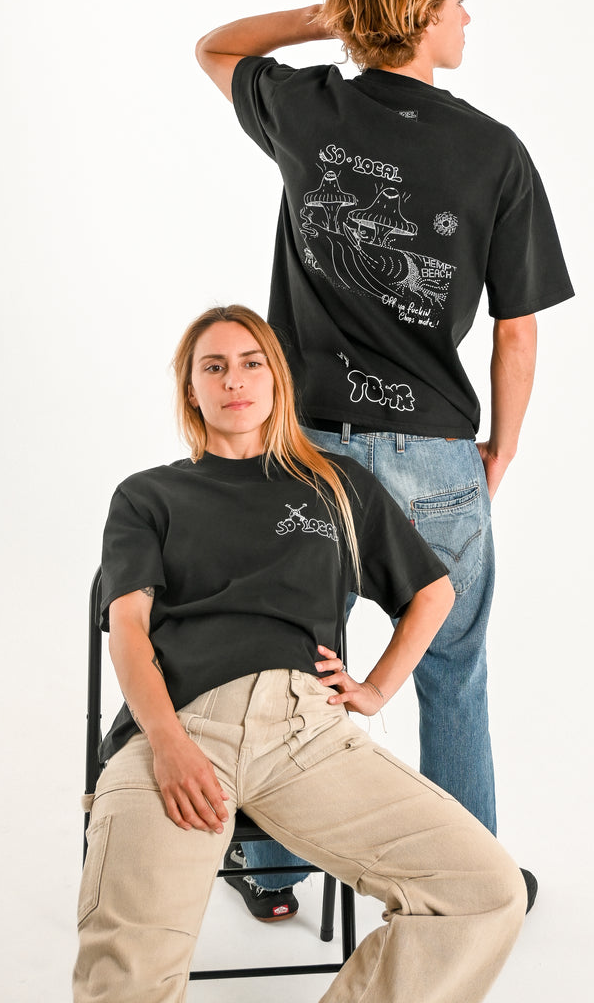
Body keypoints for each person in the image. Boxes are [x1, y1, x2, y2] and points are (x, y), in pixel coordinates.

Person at [195, 0, 574, 915]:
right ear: (422, 15)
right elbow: (516, 331)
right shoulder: (491, 150)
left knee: (285, 662)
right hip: (434, 452)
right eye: (453, 0)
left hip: (304, 445)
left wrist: (329, 22)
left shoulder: (308, 109)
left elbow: (217, 48)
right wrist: (500, 447)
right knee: (450, 667)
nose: (465, 17)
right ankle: (471, 887)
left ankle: (272, 873)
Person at [73, 304, 526, 1003]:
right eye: (214, 367)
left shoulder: (335, 485)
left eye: (253, 363)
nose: (235, 380)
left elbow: (433, 591)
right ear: (190, 388)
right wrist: (166, 742)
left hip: (305, 734)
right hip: (181, 728)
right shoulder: (148, 496)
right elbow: (128, 629)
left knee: (485, 891)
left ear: (278, 380)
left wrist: (373, 690)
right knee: (127, 973)